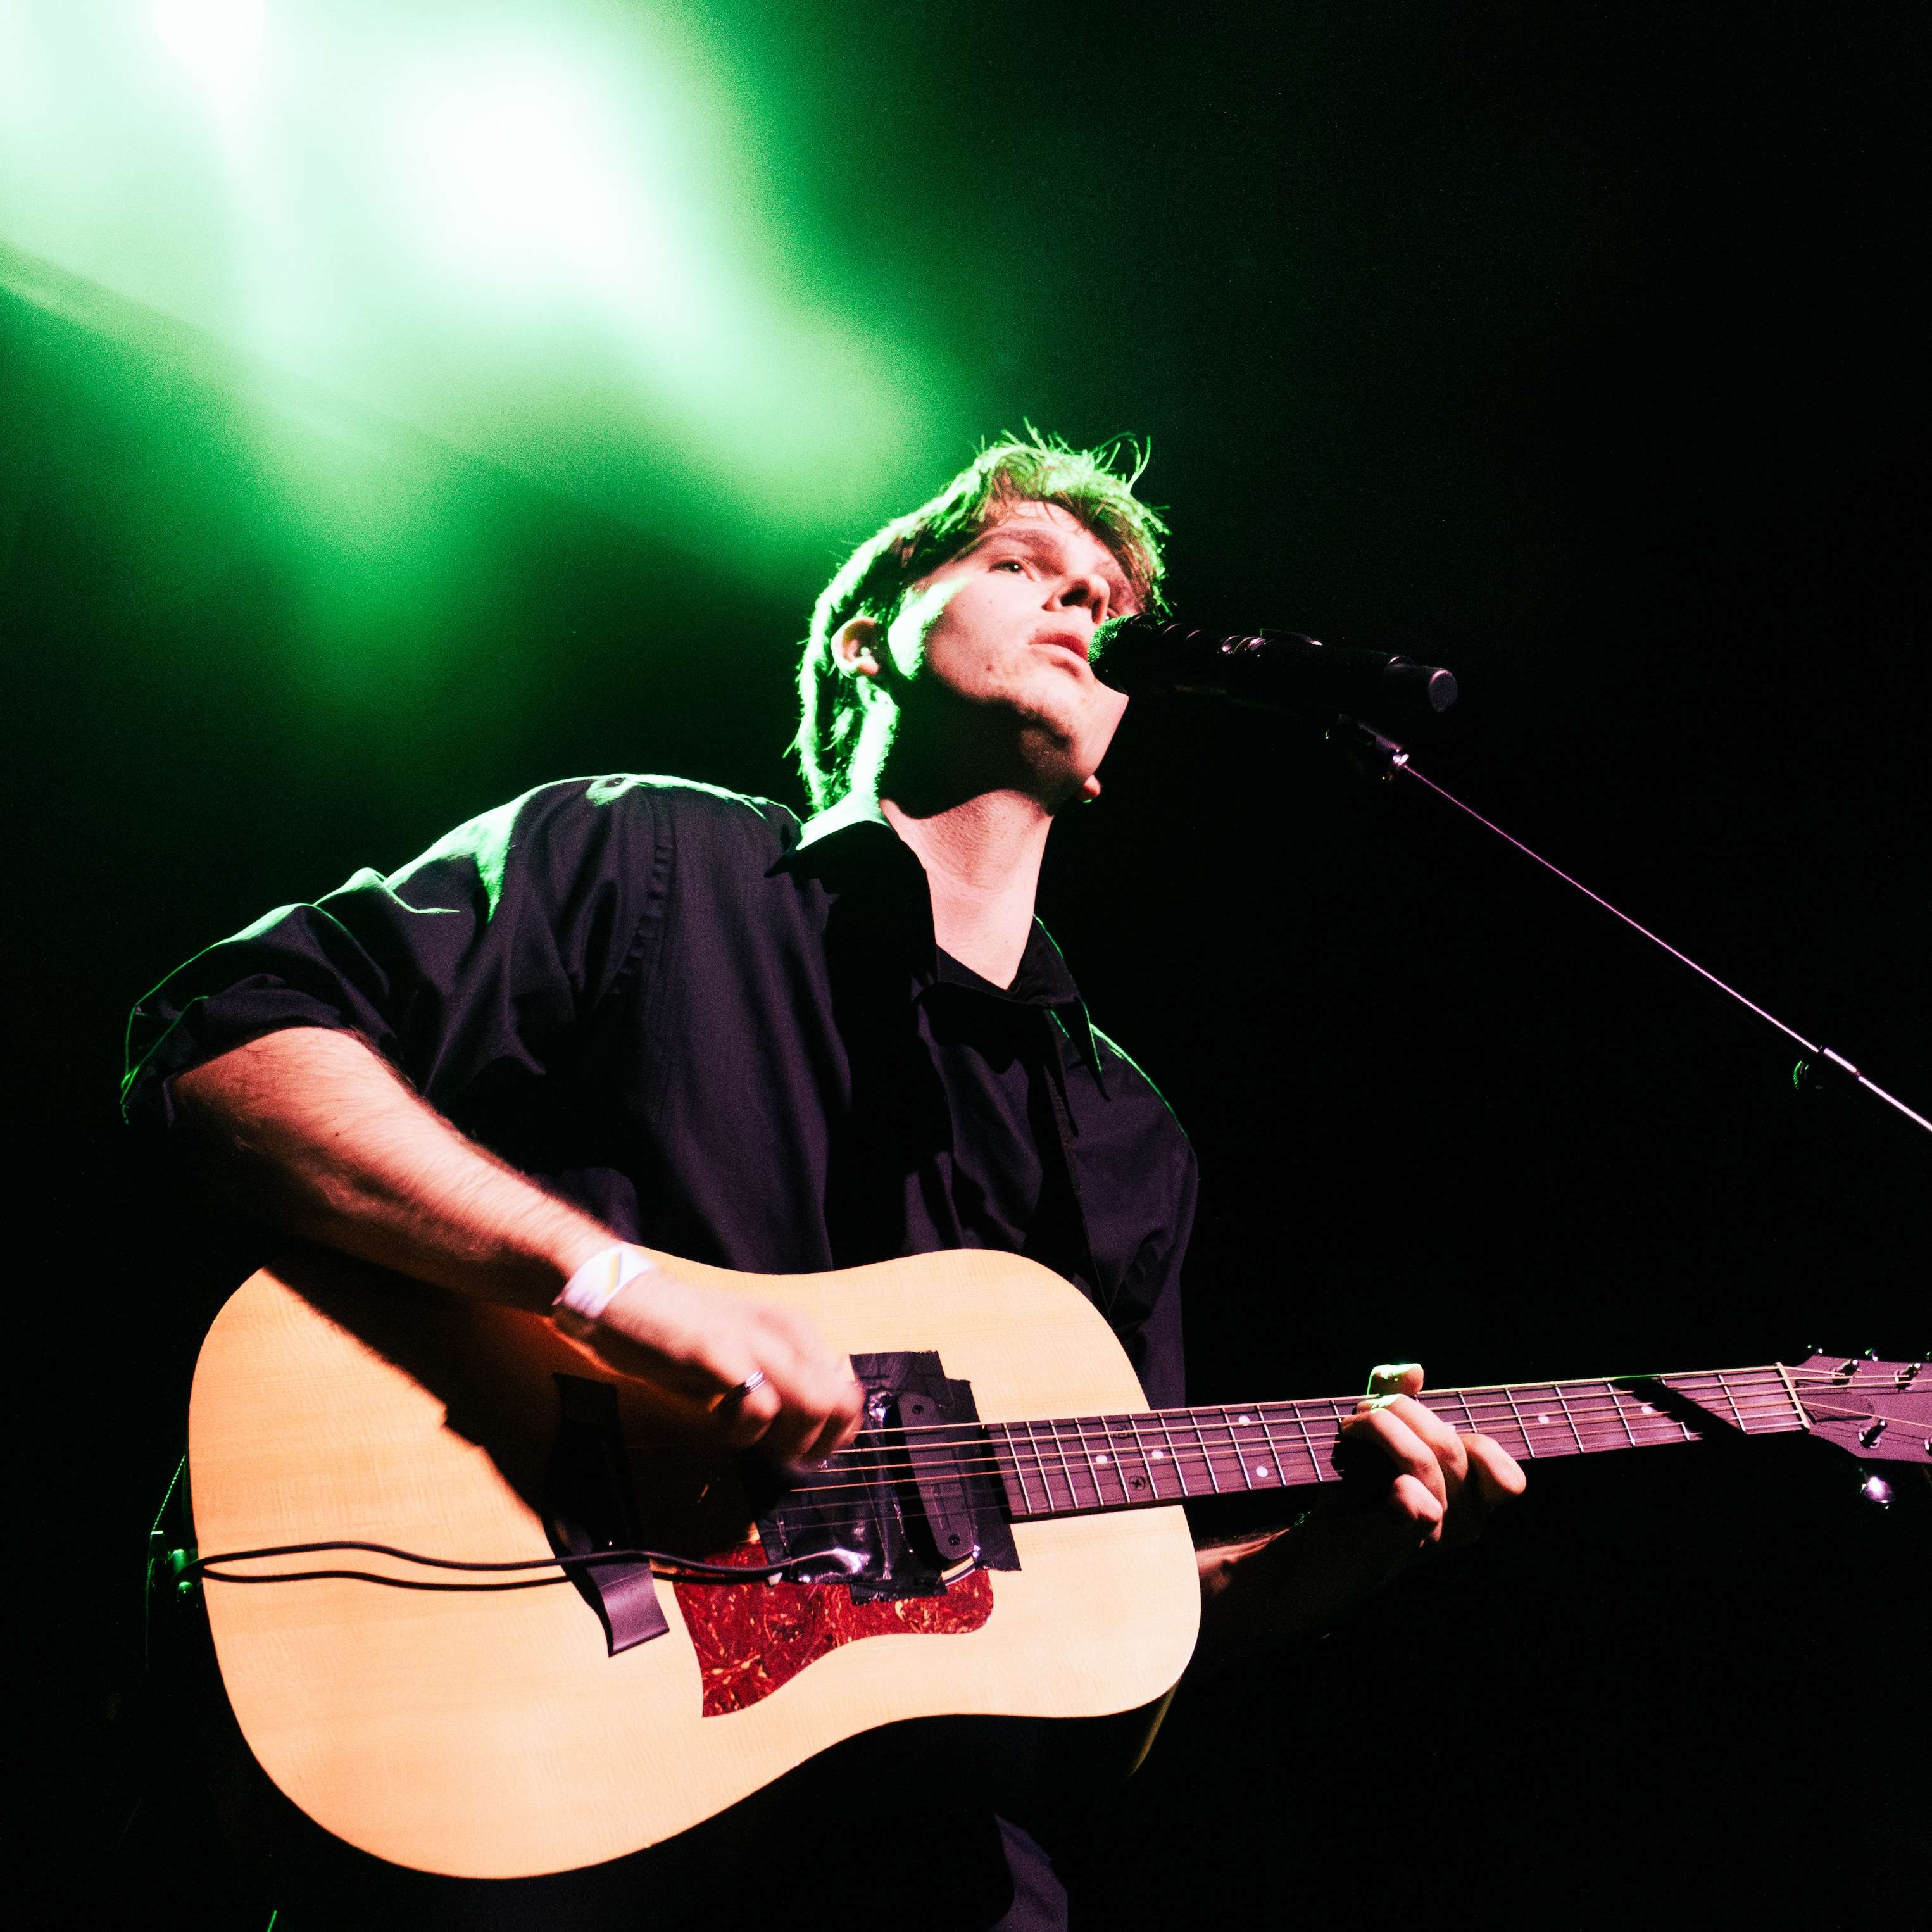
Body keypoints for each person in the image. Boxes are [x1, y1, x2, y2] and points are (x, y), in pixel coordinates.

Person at [124, 432, 1524, 1928]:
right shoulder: (645, 855)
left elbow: (1102, 1609)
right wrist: (610, 1285)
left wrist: (1325, 1565)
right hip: (529, 1792)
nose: (1078, 605)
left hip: (920, 1874)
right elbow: (225, 1048)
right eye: (1019, 568)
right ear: (866, 641)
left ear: (1111, 749)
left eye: (1107, 599)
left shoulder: (1126, 1137)